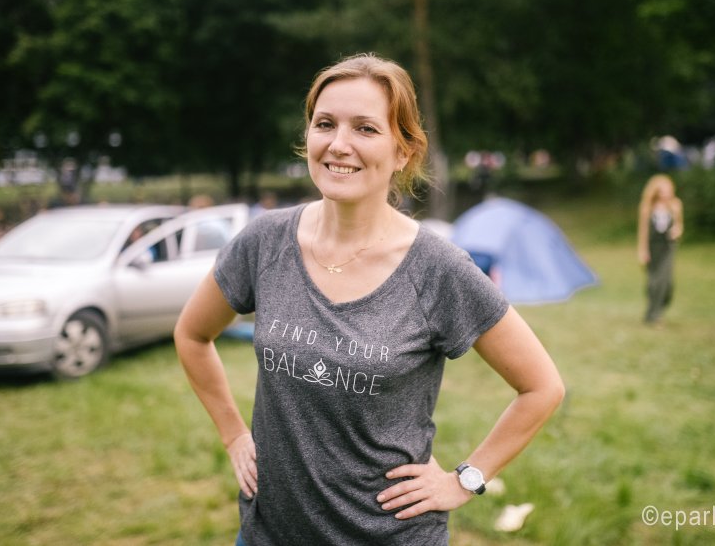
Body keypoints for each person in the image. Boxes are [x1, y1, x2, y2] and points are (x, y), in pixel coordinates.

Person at [174, 54, 565, 546]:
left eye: (365, 128)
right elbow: (192, 334)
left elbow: (541, 387)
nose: (339, 144)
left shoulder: (438, 269)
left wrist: (466, 479)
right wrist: (233, 434)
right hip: (268, 532)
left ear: (403, 151)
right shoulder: (264, 242)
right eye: (325, 124)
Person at [637, 174, 684, 324]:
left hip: (668, 247)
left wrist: (677, 231)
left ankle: (657, 309)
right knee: (653, 282)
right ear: (656, 192)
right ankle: (653, 314)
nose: (665, 194)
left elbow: (679, 226)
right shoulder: (647, 207)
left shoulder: (675, 205)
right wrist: (642, 251)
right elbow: (643, 231)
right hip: (653, 247)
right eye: (662, 191)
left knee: (666, 282)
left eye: (668, 190)